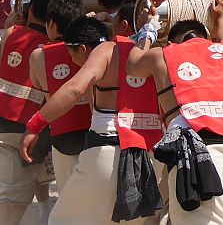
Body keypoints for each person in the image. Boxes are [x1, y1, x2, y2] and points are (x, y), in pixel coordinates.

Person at [20, 15, 166, 224]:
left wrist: (34, 126)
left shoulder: (106, 51)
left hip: (109, 152)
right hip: (151, 158)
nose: (71, 60)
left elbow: (74, 89)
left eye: (71, 53)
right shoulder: (161, 53)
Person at [124, 0, 223, 224]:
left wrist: (148, 30)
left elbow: (133, 64)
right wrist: (222, 18)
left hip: (200, 160)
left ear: (170, 43)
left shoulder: (162, 55)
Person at [0, 0, 62, 225]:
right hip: (31, 129)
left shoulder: (11, 33)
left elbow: (10, 29)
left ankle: (39, 210)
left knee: (3, 189)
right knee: (16, 193)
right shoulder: (54, 49)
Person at [27, 0, 91, 193]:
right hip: (93, 131)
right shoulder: (94, 49)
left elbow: (37, 84)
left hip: (62, 133)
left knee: (68, 195)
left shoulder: (38, 56)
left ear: (52, 24)